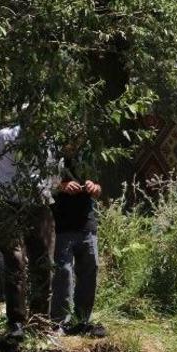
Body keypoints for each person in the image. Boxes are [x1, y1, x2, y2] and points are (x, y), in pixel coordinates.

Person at [0, 124, 56, 340]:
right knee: (15, 263)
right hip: (8, 206)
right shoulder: (3, 137)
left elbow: (52, 172)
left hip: (39, 206)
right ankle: (16, 322)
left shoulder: (48, 139)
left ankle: (41, 321)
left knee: (43, 263)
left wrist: (45, 192)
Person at [49, 139, 105, 336]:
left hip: (87, 223)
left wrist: (93, 187)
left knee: (90, 269)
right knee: (63, 272)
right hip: (61, 224)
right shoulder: (52, 157)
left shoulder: (88, 157)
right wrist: (62, 186)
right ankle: (59, 323)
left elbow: (99, 189)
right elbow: (43, 184)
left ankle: (82, 320)